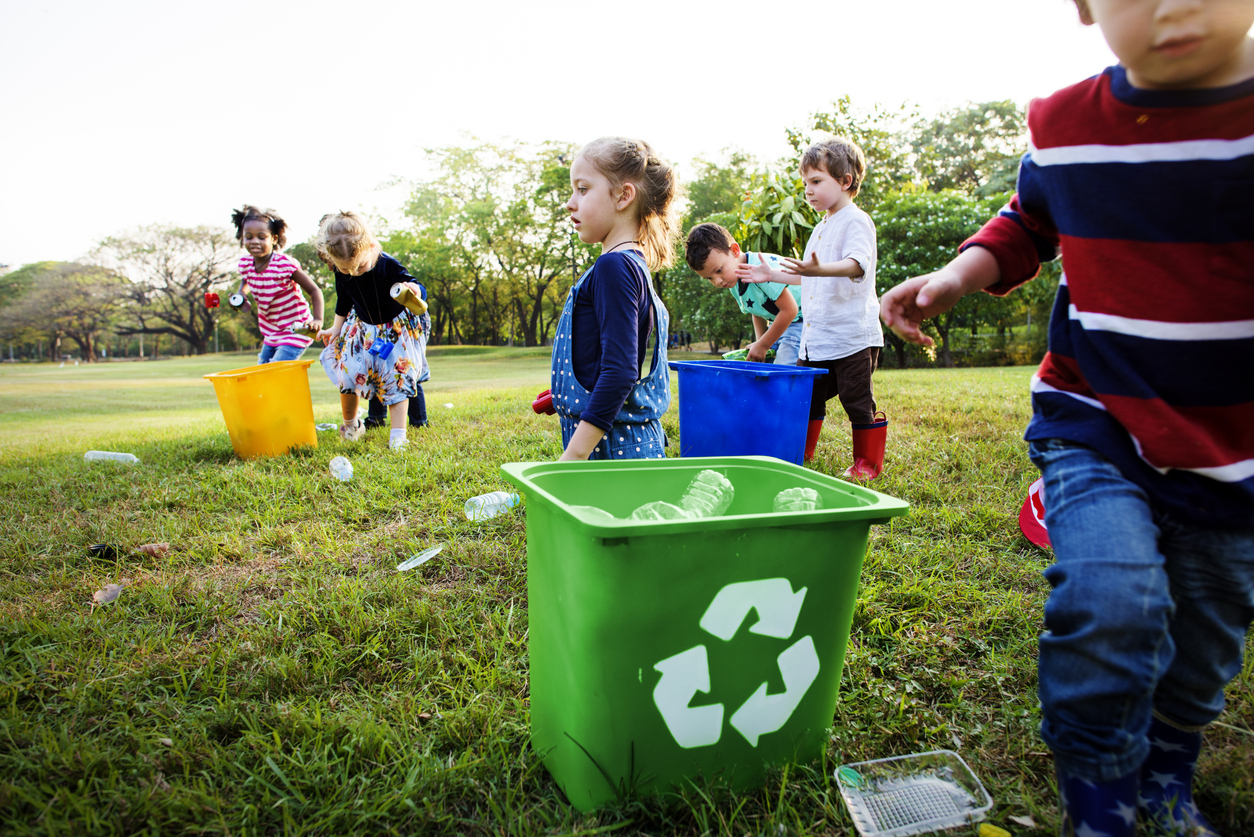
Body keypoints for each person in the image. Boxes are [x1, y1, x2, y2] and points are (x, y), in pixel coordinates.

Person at [880, 1, 1254, 833]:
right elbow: (1028, 222)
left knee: (1204, 641)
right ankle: (1100, 799)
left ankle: (1166, 772)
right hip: (1097, 420)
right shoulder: (1066, 123)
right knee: (1112, 600)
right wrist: (955, 276)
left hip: (1234, 445)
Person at [740, 138, 886, 477]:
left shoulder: (855, 221)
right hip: (816, 337)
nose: (808, 190)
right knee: (806, 397)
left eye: (816, 181)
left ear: (845, 181)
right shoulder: (820, 228)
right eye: (805, 183)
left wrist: (819, 269)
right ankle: (801, 451)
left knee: (856, 400)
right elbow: (808, 277)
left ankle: (867, 463)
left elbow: (856, 264)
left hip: (852, 335)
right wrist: (771, 274)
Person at [552, 137, 679, 461]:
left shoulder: (614, 266)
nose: (570, 203)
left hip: (615, 455)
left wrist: (573, 456)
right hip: (624, 447)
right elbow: (609, 362)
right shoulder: (628, 265)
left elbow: (621, 372)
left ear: (623, 196)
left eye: (582, 189)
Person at [314, 212, 431, 451]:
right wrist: (336, 328)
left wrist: (414, 290)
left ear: (371, 245)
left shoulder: (386, 264)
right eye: (346, 269)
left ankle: (398, 435)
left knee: (397, 377)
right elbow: (344, 299)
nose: (354, 273)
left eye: (360, 266)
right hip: (364, 328)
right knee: (347, 372)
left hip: (396, 327)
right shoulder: (342, 269)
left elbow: (416, 284)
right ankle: (352, 425)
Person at [685, 222, 803, 365]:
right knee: (760, 366)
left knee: (783, 370)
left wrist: (763, 345)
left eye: (719, 270)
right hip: (781, 322)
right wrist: (760, 342)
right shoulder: (733, 280)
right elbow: (757, 311)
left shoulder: (759, 269)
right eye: (709, 278)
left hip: (801, 320)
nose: (717, 281)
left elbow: (790, 310)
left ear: (734, 250)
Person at [230, 205, 324, 364]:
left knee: (275, 372)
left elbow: (314, 290)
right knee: (262, 373)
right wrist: (241, 294)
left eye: (261, 237)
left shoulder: (283, 265)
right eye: (249, 237)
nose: (254, 241)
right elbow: (247, 278)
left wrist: (318, 319)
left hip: (297, 328)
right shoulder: (246, 264)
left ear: (273, 239)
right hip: (271, 332)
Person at [365, 280, 430, 431]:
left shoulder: (389, 271)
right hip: (381, 329)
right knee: (378, 371)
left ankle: (419, 421)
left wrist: (417, 290)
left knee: (409, 372)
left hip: (408, 325)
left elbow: (421, 291)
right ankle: (376, 418)